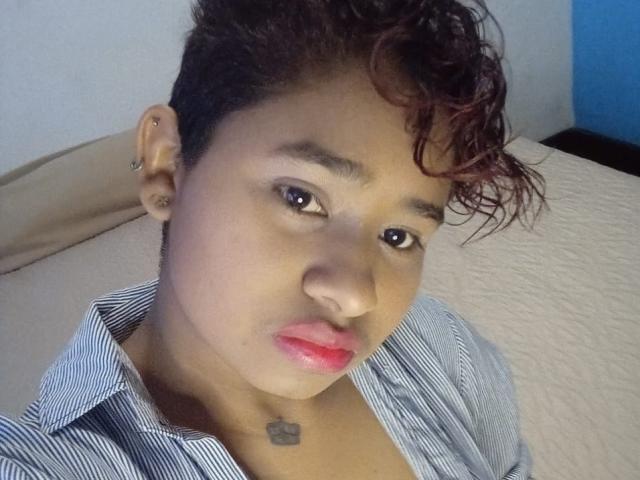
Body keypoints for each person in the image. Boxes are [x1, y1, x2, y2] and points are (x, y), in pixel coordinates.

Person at [0, 0, 546, 478]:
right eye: (300, 198)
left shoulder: (445, 353)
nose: (356, 294)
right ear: (165, 164)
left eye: (398, 236)